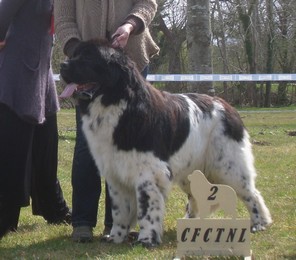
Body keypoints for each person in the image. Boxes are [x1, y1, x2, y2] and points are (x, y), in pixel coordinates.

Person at [54, 0, 159, 242]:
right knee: (87, 146)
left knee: (126, 149)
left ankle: (118, 223)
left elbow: (148, 3)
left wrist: (130, 26)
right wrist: (83, 54)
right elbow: (63, 20)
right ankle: (82, 222)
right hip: (87, 66)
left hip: (131, 61)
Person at [0, 0, 71, 239]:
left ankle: (54, 208)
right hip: (16, 72)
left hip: (41, 70)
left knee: (47, 145)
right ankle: (5, 217)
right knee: (13, 153)